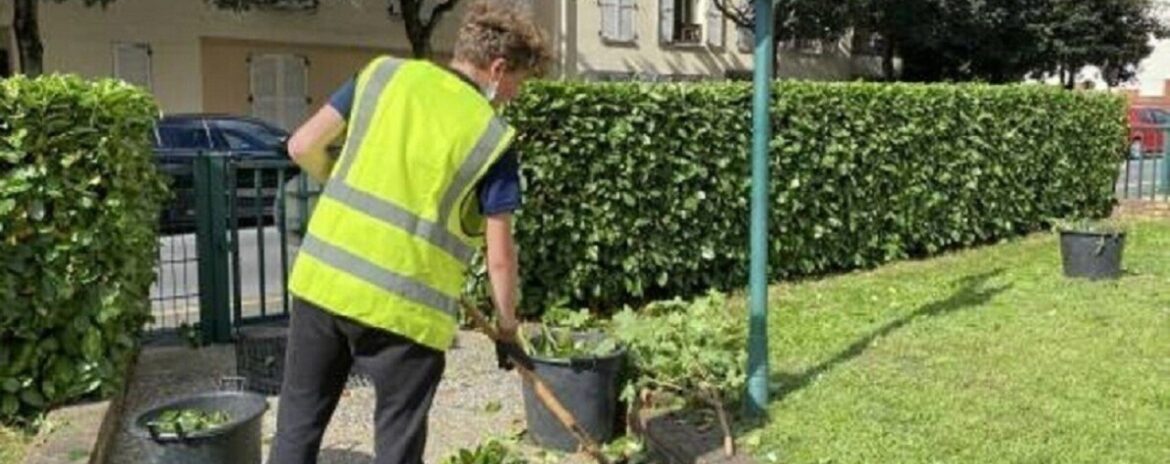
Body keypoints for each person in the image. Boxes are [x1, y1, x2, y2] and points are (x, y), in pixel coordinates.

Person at [268, 2, 552, 463]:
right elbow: (500, 258)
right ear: (498, 69)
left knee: (296, 429)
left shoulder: (383, 75)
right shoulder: (491, 136)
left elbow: (301, 146)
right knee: (397, 446)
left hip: (323, 283)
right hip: (404, 314)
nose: (514, 95)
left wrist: (341, 180)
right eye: (517, 82)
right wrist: (506, 329)